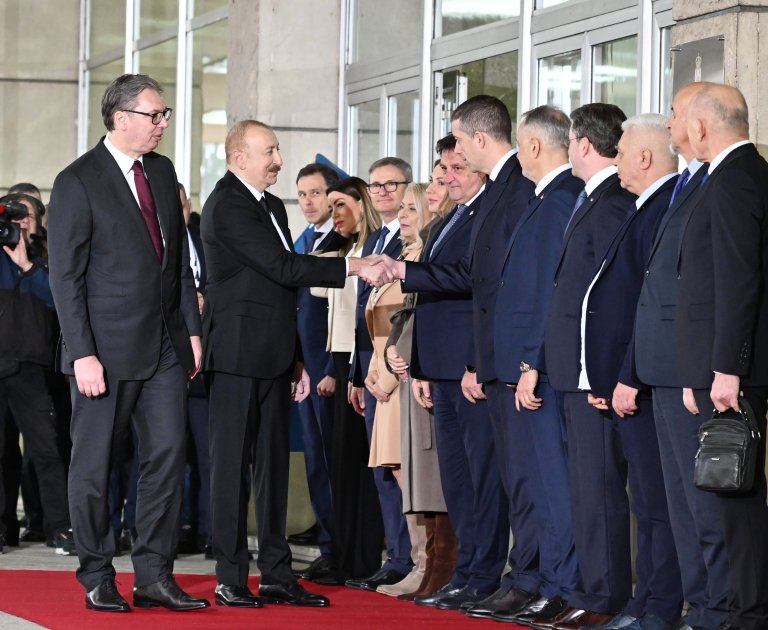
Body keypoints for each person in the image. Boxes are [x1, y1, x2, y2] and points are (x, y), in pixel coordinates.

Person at [363, 94, 541, 617]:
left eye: (456, 163)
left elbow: (475, 285)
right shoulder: (451, 220)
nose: (447, 176)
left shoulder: (499, 201)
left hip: (470, 365)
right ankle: (467, 574)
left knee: (484, 481)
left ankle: (485, 575)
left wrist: (403, 272)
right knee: (458, 483)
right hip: (440, 368)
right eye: (443, 169)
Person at [48, 73, 208, 612]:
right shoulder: (77, 181)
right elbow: (65, 278)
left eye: (164, 115)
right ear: (121, 118)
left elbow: (176, 263)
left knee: (166, 458)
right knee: (95, 466)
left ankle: (153, 575)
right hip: (103, 352)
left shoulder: (161, 172)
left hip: (165, 347)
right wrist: (82, 353)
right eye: (154, 115)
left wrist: (191, 329)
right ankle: (96, 573)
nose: (162, 124)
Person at [200, 119, 368, 608]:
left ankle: (275, 573)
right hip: (235, 355)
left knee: (273, 466)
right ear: (239, 158)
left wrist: (294, 357)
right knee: (232, 468)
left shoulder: (271, 206)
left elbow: (279, 292)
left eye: (276, 149)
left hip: (274, 355)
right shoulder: (226, 205)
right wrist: (352, 265)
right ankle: (230, 575)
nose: (278, 159)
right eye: (269, 151)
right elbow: (282, 268)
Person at [576, 114, 683, 630]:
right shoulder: (645, 206)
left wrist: (626, 376)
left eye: (620, 152)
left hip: (640, 382)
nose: (614, 160)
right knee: (646, 500)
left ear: (644, 157)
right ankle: (647, 601)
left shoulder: (663, 208)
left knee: (656, 503)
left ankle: (660, 606)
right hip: (625, 380)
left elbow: (645, 306)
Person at [633, 82, 730, 630]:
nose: (669, 124)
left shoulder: (719, 182)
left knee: (706, 503)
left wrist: (707, 367)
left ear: (698, 122)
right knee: (680, 504)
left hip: (693, 369)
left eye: (674, 114)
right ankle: (700, 607)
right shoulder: (686, 184)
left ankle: (719, 610)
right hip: (664, 367)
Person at [484, 105, 581, 628]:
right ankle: (546, 582)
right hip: (522, 364)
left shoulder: (562, 197)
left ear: (536, 146)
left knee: (552, 484)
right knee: (536, 484)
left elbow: (551, 291)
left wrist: (532, 361)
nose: (519, 155)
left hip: (537, 367)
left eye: (521, 145)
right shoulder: (544, 197)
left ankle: (561, 586)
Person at [676, 83, 768, 630]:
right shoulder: (743, 173)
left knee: (737, 496)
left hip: (738, 371)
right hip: (732, 365)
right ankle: (743, 610)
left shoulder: (734, 179)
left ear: (702, 126)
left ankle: (748, 614)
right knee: (732, 495)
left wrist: (726, 368)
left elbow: (737, 280)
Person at [540, 103, 635, 626]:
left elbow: (616, 297)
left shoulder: (615, 201)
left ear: (582, 143)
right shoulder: (590, 198)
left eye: (570, 140)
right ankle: (589, 589)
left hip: (592, 375)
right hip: (570, 371)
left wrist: (605, 371)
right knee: (584, 488)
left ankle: (604, 597)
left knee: (599, 490)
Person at [379, 182, 456, 601]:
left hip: (419, 373)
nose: (403, 215)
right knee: (407, 472)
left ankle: (434, 566)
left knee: (426, 473)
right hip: (401, 371)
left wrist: (396, 359)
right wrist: (389, 352)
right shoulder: (409, 253)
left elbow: (419, 312)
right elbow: (395, 319)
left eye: (413, 207)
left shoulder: (427, 253)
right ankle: (420, 563)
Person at [309, 176, 385, 585]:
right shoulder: (348, 251)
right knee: (342, 465)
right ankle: (341, 555)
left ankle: (361, 558)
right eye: (332, 205)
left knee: (359, 465)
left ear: (362, 203)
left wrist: (353, 369)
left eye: (341, 204)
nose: (334, 213)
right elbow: (316, 285)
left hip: (359, 360)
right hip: (342, 358)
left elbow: (363, 316)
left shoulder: (373, 252)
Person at [345, 157, 412, 592]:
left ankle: (410, 559)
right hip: (369, 368)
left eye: (392, 184)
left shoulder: (412, 238)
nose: (383, 192)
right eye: (376, 185)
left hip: (397, 366)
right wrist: (356, 375)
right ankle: (397, 555)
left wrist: (386, 367)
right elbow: (362, 315)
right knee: (380, 469)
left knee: (398, 464)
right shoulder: (372, 238)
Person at [0, 193, 74, 558]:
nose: (20, 223)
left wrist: (27, 266)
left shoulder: (49, 255)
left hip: (33, 371)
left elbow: (59, 300)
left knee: (46, 451)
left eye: (25, 216)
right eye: (12, 218)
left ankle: (59, 528)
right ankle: (4, 529)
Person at [289, 163, 344, 559]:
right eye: (302, 194)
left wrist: (330, 369)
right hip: (304, 370)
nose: (308, 202)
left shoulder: (342, 242)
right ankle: (327, 542)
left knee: (332, 458)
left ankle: (339, 545)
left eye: (315, 193)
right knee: (314, 458)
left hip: (328, 370)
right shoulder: (301, 240)